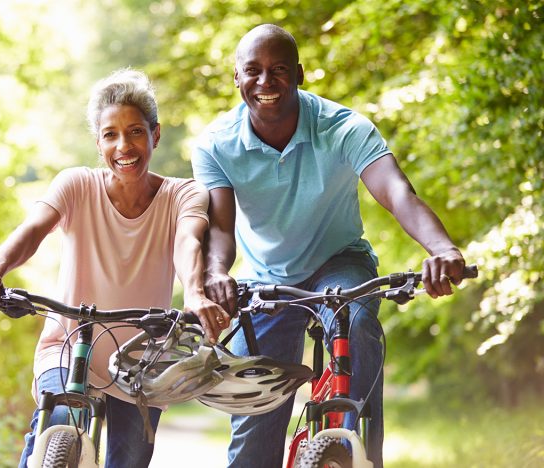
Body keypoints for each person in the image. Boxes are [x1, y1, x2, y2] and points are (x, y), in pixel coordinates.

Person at [191, 24, 467, 468]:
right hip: (266, 277)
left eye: (279, 69)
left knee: (355, 322)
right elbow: (220, 228)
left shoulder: (343, 128)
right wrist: (217, 272)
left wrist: (442, 248)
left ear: (299, 74)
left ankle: (353, 442)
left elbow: (398, 193)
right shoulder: (215, 145)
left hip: (339, 262)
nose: (266, 82)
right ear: (236, 80)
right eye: (253, 71)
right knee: (255, 418)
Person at [0, 69, 229, 468]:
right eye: (110, 134)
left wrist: (194, 291)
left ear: (155, 134)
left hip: (141, 361)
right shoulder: (76, 185)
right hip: (67, 345)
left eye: (135, 131)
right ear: (98, 143)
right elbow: (32, 231)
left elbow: (187, 241)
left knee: (130, 458)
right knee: (59, 422)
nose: (124, 145)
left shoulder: (183, 193)